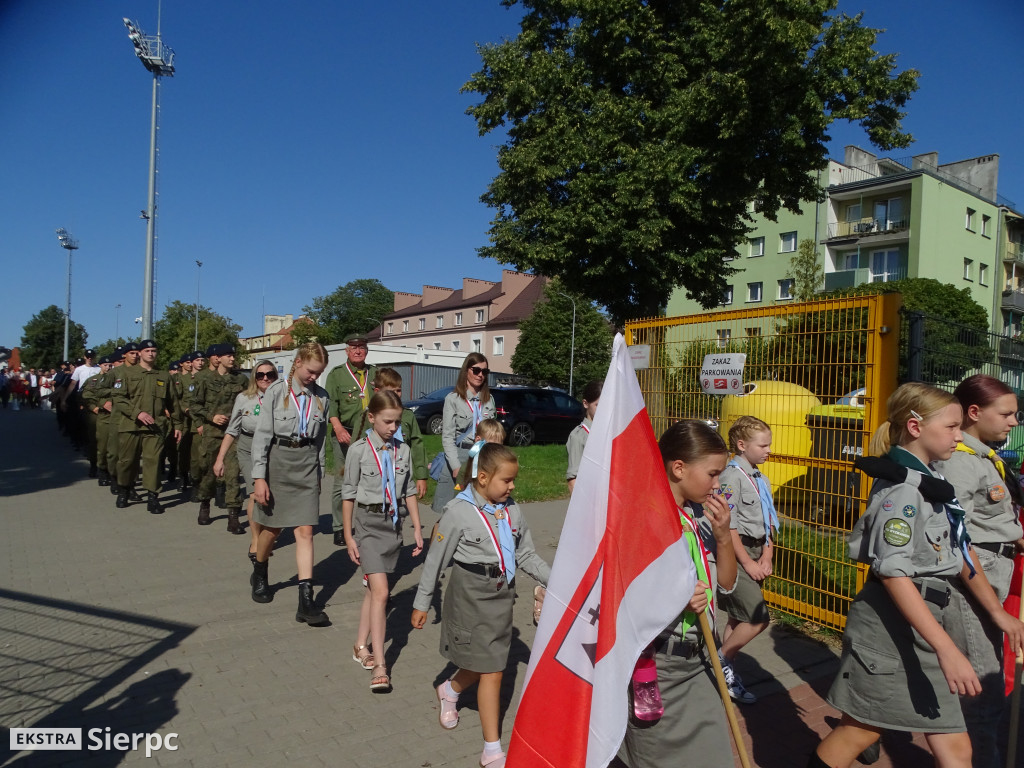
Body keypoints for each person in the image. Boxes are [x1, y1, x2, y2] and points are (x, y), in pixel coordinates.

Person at [809, 382, 997, 768]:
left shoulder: (929, 483)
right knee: (859, 732)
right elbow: (894, 575)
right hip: (894, 627)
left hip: (919, 622)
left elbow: (953, 550)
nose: (959, 436)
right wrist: (947, 649)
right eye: (951, 426)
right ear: (915, 427)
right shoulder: (904, 492)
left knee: (882, 734)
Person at [412, 443, 550, 768]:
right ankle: (492, 750)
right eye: (507, 481)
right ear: (484, 477)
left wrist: (560, 581)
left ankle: (449, 688)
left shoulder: (511, 509)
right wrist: (420, 602)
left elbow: (525, 553)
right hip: (469, 595)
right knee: (492, 669)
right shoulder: (458, 512)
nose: (513, 486)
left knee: (484, 662)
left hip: (502, 594)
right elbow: (436, 560)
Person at [615, 420, 736, 768]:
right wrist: (676, 598)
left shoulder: (693, 518)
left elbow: (725, 585)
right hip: (658, 666)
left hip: (699, 659)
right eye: (713, 474)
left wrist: (724, 536)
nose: (718, 485)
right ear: (678, 468)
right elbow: (622, 595)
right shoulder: (644, 519)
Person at [935, 374, 1024, 768]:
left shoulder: (983, 457)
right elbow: (957, 541)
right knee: (983, 700)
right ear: (975, 412)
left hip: (992, 571)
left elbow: (989, 521)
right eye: (1006, 414)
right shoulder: (960, 463)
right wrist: (995, 611)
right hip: (974, 586)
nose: (1014, 422)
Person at [342, 389, 425, 692]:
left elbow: (409, 492)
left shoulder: (401, 450)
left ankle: (359, 645)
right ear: (371, 417)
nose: (393, 428)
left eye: (397, 422)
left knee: (372, 592)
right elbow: (348, 494)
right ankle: (380, 664)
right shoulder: (359, 451)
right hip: (367, 524)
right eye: (388, 421)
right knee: (381, 593)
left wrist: (417, 527)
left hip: (392, 526)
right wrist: (348, 535)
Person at [249, 343, 331, 626]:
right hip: (279, 462)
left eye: (318, 374)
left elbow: (320, 440)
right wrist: (259, 477)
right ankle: (260, 569)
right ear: (298, 363)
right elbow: (262, 437)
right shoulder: (275, 392)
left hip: (307, 464)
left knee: (305, 530)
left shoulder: (322, 397)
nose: (313, 378)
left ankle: (305, 601)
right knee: (272, 528)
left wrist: (319, 472)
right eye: (310, 372)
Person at [716, 415, 775, 705]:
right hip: (737, 556)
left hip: (756, 551)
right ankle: (721, 661)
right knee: (757, 618)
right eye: (762, 445)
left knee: (738, 616)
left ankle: (725, 671)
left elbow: (768, 518)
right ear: (742, 445)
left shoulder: (759, 478)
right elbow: (730, 525)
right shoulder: (731, 477)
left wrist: (767, 553)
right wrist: (748, 563)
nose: (768, 450)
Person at [113, 340, 181, 514]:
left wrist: (178, 424)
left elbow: (173, 403)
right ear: (140, 353)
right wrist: (137, 413)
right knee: (127, 461)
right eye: (147, 350)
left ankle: (153, 497)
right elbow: (119, 398)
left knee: (153, 461)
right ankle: (124, 490)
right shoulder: (126, 373)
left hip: (155, 427)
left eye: (154, 350)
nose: (151, 353)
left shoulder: (164, 376)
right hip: (130, 425)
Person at [214, 359, 279, 539]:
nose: (265, 378)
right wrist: (220, 459)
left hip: (273, 449)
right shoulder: (244, 398)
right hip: (248, 448)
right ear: (254, 377)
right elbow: (232, 430)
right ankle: (256, 538)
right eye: (260, 375)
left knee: (270, 493)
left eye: (270, 374)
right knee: (254, 494)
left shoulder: (284, 398)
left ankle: (269, 530)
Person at [325, 333, 377, 547]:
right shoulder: (337, 374)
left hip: (371, 434)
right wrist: (337, 428)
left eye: (361, 347)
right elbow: (331, 405)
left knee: (371, 478)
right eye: (353, 347)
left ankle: (369, 524)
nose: (358, 351)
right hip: (344, 433)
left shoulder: (375, 372)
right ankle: (340, 527)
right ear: (346, 351)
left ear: (366, 350)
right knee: (343, 481)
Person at [350, 367, 429, 501]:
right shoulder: (369, 417)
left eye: (399, 390)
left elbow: (417, 445)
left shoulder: (408, 415)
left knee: (401, 510)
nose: (397, 394)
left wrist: (421, 475)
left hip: (401, 472)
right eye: (391, 391)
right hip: (375, 475)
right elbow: (356, 445)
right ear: (377, 391)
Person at [192, 344, 248, 527]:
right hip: (212, 434)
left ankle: (234, 515)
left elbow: (250, 400)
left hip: (234, 435)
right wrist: (211, 417)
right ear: (219, 358)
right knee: (208, 472)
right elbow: (195, 405)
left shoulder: (240, 379)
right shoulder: (204, 379)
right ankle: (205, 504)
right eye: (228, 356)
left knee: (232, 474)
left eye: (233, 356)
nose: (232, 359)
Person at [433, 353, 496, 515]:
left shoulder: (489, 400)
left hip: (483, 457)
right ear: (466, 371)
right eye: (476, 370)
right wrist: (455, 465)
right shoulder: (453, 399)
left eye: (484, 371)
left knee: (479, 509)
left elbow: (493, 432)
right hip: (459, 457)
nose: (480, 375)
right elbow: (447, 436)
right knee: (450, 512)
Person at [81, 355, 115, 486]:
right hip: (96, 414)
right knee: (96, 442)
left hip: (112, 414)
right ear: (100, 366)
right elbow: (86, 395)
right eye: (105, 365)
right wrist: (94, 407)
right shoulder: (94, 380)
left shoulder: (115, 379)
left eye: (110, 365)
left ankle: (109, 470)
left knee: (110, 444)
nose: (108, 367)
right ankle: (96, 466)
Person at [566, 379, 602, 492]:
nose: (603, 411)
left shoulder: (608, 432)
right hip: (590, 498)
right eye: (598, 405)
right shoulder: (579, 436)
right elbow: (573, 480)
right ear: (586, 404)